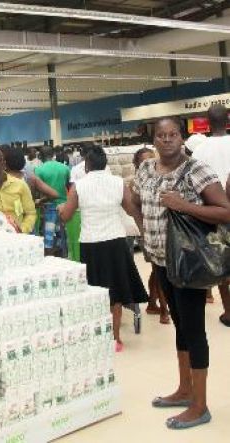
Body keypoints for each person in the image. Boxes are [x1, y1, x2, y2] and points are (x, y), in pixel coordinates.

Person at [131, 116, 230, 430]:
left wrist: (183, 205)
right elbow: (132, 199)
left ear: (182, 137)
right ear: (154, 140)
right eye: (161, 135)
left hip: (189, 264)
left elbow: (225, 211)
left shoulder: (196, 169)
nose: (167, 139)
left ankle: (200, 406)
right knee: (180, 327)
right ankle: (185, 389)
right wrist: (144, 229)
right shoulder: (146, 169)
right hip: (161, 262)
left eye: (173, 134)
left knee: (194, 331)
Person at [59, 146, 148, 352]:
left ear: (86, 165)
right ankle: (116, 338)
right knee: (116, 291)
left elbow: (67, 216)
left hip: (91, 244)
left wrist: (61, 210)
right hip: (116, 241)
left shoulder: (79, 187)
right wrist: (144, 230)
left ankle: (99, 335)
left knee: (95, 290)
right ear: (105, 164)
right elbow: (131, 209)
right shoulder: (118, 183)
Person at [192, 104, 230, 326]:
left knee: (221, 261)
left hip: (214, 213)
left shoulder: (200, 150)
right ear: (228, 120)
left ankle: (228, 311)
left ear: (206, 123)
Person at [132, 148, 170, 325]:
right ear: (137, 164)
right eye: (144, 160)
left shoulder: (161, 177)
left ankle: (152, 303)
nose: (149, 163)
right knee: (159, 269)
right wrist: (143, 229)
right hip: (146, 232)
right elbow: (134, 206)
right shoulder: (136, 183)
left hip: (162, 231)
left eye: (152, 158)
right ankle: (164, 309)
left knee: (158, 271)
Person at [0, 147, 37, 233]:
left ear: (3, 165)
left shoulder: (20, 185)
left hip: (17, 238)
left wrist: (22, 230)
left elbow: (31, 213)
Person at [35, 146, 70, 256]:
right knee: (62, 234)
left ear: (40, 156)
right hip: (64, 205)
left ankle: (49, 259)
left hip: (48, 206)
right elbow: (68, 186)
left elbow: (38, 190)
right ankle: (64, 256)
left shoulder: (39, 170)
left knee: (48, 236)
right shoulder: (65, 168)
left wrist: (39, 201)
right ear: (53, 155)